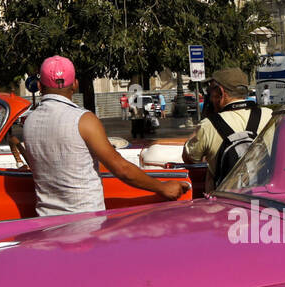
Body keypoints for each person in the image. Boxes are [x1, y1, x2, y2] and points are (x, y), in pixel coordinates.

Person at [20, 55, 188, 216]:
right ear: (75, 85)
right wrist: (162, 187)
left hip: (46, 223)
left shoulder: (29, 122)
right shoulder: (84, 120)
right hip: (86, 223)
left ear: (40, 86)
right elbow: (122, 169)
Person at [183, 68, 273, 193]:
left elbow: (189, 158)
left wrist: (205, 120)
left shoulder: (208, 125)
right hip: (265, 199)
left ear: (220, 92)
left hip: (224, 203)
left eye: (210, 91)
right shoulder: (271, 116)